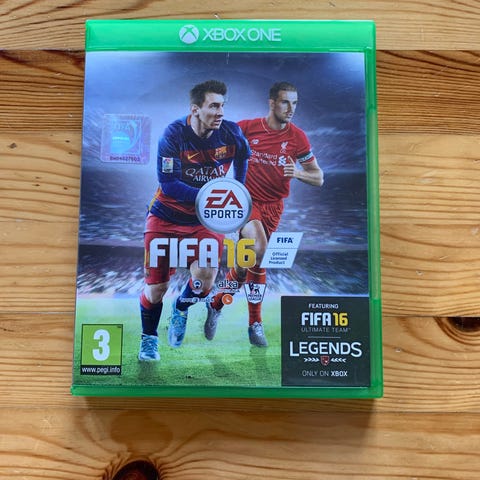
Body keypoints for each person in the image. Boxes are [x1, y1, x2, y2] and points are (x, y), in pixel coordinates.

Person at [204, 81, 324, 347]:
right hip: (246, 202)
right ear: (272, 103)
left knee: (245, 267)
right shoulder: (247, 128)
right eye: (285, 102)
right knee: (260, 250)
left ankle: (215, 303)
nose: (291, 108)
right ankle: (255, 323)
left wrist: (298, 173)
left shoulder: (298, 138)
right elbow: (215, 142)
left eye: (295, 103)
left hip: (274, 208)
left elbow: (318, 178)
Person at [138, 80, 250, 361]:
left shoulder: (231, 133)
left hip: (204, 220)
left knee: (205, 281)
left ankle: (181, 308)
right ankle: (149, 339)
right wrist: (209, 196)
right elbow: (168, 183)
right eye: (214, 106)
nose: (220, 112)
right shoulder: (173, 134)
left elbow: (243, 158)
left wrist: (237, 191)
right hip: (165, 216)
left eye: (223, 106)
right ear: (195, 109)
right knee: (156, 290)